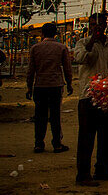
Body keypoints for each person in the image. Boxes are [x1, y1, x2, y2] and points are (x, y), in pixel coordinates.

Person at [72, 13, 108, 186]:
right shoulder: (82, 43)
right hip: (88, 96)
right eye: (93, 25)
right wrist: (92, 40)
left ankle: (103, 170)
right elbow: (81, 59)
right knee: (86, 137)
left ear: (105, 25)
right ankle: (83, 174)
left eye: (99, 25)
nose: (96, 27)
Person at [26, 21, 73, 153]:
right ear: (55, 34)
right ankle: (57, 143)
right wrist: (69, 83)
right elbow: (67, 69)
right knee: (55, 116)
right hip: (55, 85)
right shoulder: (61, 48)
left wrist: (29, 87)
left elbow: (30, 70)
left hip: (40, 85)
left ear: (42, 33)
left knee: (40, 115)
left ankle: (39, 143)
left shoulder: (35, 48)